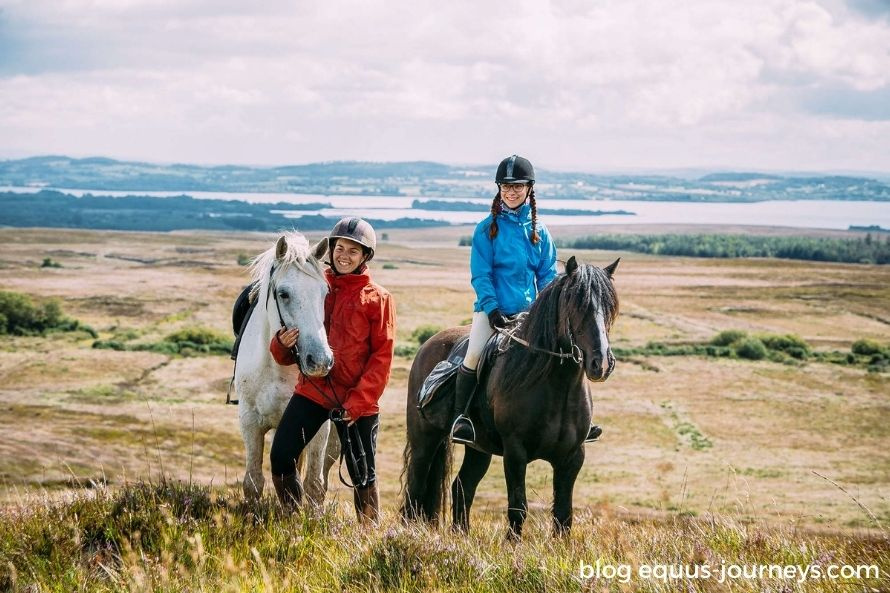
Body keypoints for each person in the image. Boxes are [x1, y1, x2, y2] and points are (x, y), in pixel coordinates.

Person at [451, 154, 603, 445]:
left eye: (518, 186)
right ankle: (463, 419)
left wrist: (547, 309)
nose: (511, 191)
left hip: (532, 314)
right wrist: (493, 309)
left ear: (529, 189)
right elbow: (481, 275)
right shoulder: (486, 229)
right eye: (506, 186)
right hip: (491, 312)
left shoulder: (540, 231)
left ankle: (582, 419)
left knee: (569, 353)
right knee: (473, 354)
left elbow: (547, 276)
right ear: (499, 189)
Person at [269, 217, 395, 524]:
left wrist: (356, 404)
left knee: (362, 474)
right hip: (315, 390)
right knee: (281, 456)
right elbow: (290, 351)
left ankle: (368, 538)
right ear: (331, 250)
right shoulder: (316, 286)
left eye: (354, 251)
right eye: (340, 248)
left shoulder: (378, 298)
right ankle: (293, 521)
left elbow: (382, 358)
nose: (344, 255)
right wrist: (282, 345)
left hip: (356, 402)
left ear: (365, 257)